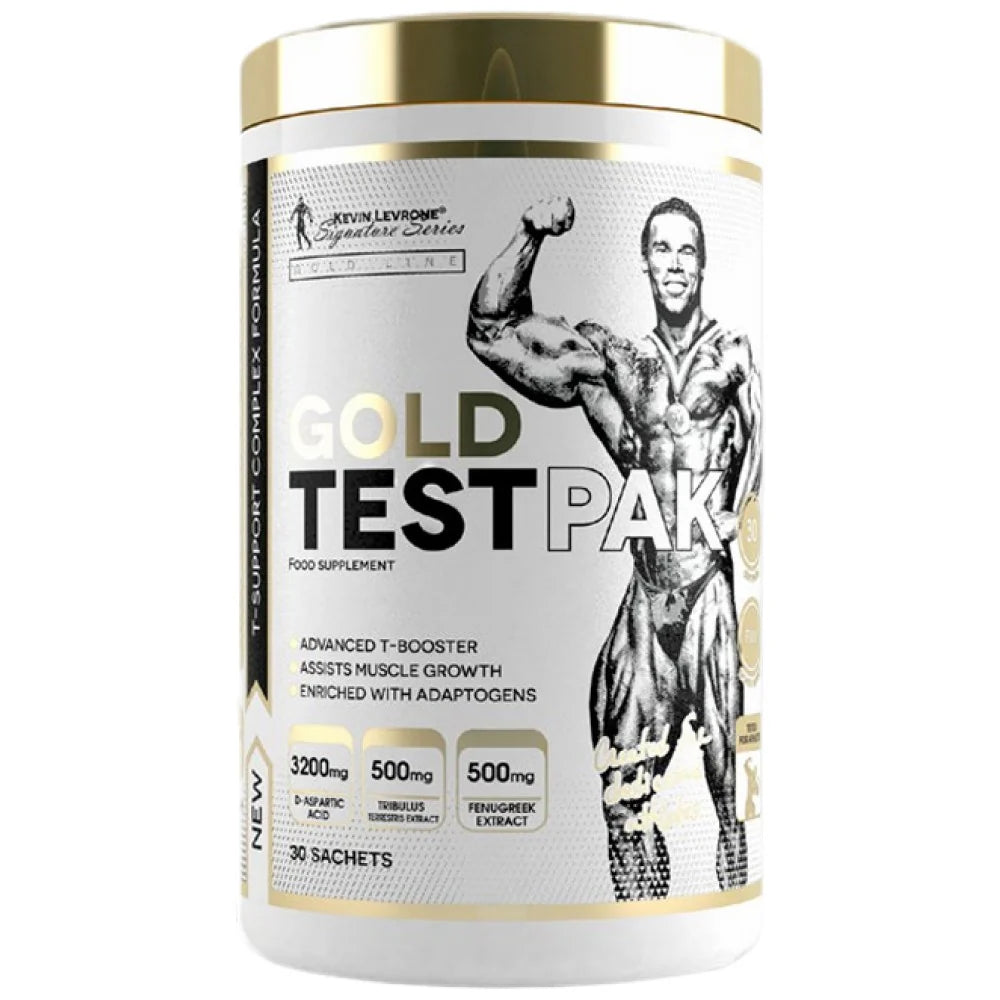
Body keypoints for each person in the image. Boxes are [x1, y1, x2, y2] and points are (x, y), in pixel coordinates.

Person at [467, 194, 761, 899]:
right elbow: (491, 332)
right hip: (646, 600)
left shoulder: (733, 356)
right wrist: (530, 234)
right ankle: (643, 920)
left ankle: (722, 907)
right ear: (644, 263)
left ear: (703, 263)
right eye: (662, 249)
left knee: (734, 808)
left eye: (686, 250)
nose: (675, 263)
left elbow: (773, 435)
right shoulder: (617, 365)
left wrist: (742, 506)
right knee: (621, 803)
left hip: (710, 594)